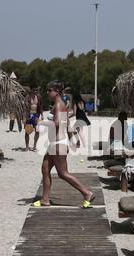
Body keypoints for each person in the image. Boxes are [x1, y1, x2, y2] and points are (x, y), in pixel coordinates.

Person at [32, 80, 94, 208]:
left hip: (58, 144)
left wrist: (40, 122)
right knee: (45, 169)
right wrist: (73, 140)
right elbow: (68, 126)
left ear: (57, 91)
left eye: (49, 90)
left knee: (63, 173)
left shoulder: (59, 104)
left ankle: (87, 193)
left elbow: (57, 124)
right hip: (55, 143)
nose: (47, 92)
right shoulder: (59, 104)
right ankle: (45, 199)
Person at [24, 86, 43, 152]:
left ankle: (34, 146)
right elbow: (25, 107)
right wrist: (24, 117)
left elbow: (40, 106)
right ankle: (27, 146)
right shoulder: (27, 97)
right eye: (34, 90)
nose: (35, 91)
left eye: (36, 90)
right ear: (31, 90)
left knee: (37, 131)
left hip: (36, 115)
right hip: (29, 115)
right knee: (27, 131)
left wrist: (42, 115)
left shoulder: (38, 97)